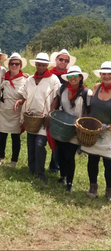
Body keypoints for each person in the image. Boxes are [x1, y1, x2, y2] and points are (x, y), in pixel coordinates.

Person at [14, 52, 60, 184]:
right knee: (31, 144)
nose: (40, 67)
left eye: (43, 65)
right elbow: (25, 94)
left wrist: (50, 114)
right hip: (31, 116)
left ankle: (40, 173)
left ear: (47, 65)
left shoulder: (53, 80)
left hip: (44, 117)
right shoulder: (30, 80)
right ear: (35, 64)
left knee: (40, 144)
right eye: (38, 64)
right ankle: (32, 168)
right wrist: (20, 101)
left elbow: (56, 98)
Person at [50, 66, 90, 193]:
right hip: (62, 125)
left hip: (75, 128)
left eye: (75, 76)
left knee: (69, 155)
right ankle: (62, 176)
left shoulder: (86, 93)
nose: (73, 79)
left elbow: (88, 111)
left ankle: (70, 182)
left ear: (80, 77)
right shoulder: (62, 89)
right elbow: (57, 104)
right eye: (70, 76)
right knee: (60, 152)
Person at [81, 61, 111, 201]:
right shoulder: (97, 87)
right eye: (104, 74)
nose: (106, 76)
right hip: (94, 131)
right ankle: (93, 186)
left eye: (109, 74)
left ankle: (109, 189)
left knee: (109, 163)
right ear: (100, 75)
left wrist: (108, 126)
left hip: (109, 132)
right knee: (92, 159)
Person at [48, 49, 76, 173]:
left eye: (66, 60)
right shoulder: (49, 74)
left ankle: (55, 165)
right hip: (50, 108)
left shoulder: (70, 76)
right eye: (61, 59)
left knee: (59, 139)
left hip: (65, 111)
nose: (63, 62)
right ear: (56, 60)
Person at [0, 53, 27, 168]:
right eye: (12, 63)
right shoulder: (3, 77)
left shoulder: (25, 80)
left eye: (17, 63)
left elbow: (27, 96)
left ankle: (14, 161)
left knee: (15, 137)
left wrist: (21, 101)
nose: (14, 65)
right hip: (3, 110)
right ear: (9, 65)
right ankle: (1, 157)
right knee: (2, 135)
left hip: (16, 112)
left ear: (20, 66)